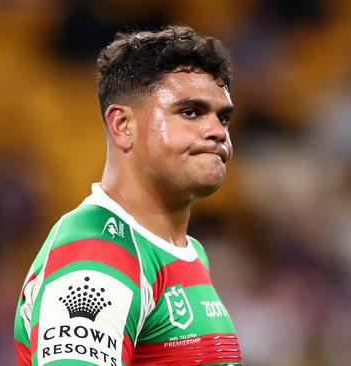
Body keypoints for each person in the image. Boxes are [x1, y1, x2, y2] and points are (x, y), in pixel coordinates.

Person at [13, 25, 242, 366]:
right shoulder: (97, 252)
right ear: (122, 125)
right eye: (190, 112)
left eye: (222, 117)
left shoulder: (189, 252)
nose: (216, 132)